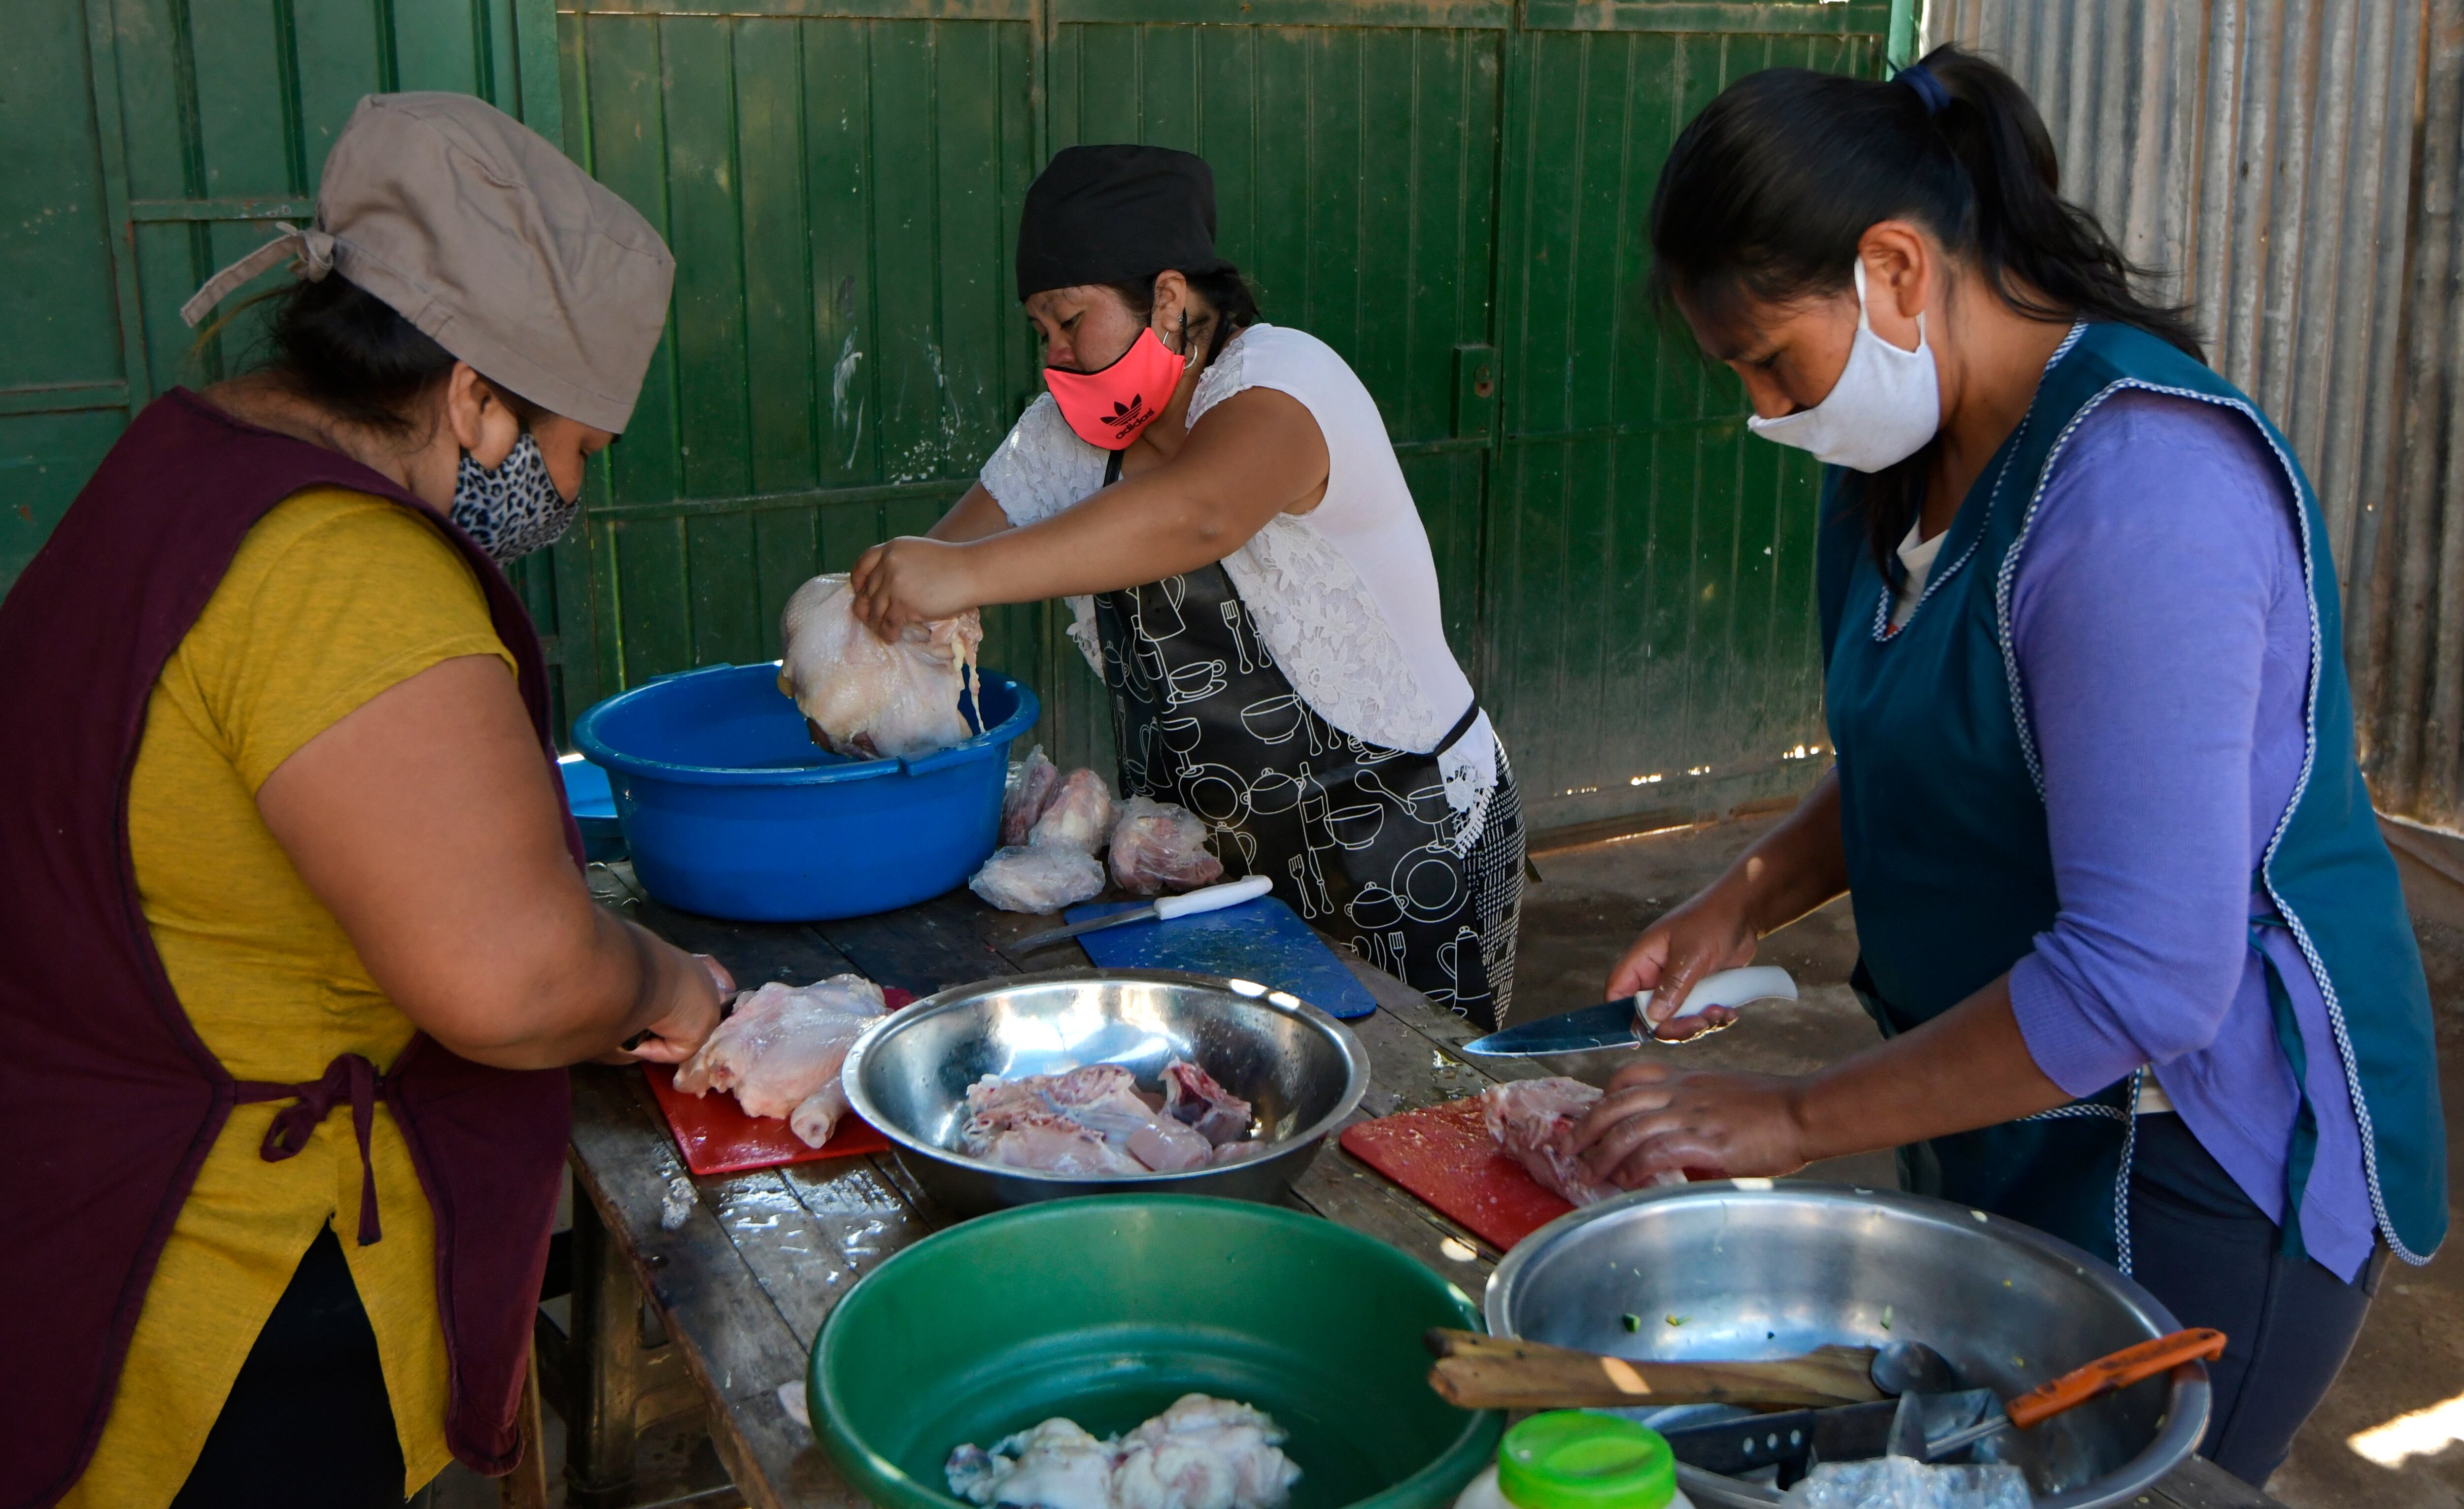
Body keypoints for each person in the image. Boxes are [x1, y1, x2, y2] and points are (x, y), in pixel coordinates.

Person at [1569, 46, 2447, 1484]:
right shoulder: (1900, 474)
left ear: (1898, 270)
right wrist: (1743, 893)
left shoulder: (2138, 496)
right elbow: (1939, 745)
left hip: (2196, 1159)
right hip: (2013, 1104)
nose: (1768, 411)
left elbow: (2147, 975)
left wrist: (1792, 1119)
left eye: (1773, 363)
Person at [0, 94, 729, 1508]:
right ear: (472, 397)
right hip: (222, 1275)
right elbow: (513, 982)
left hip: (67, 1174)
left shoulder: (185, 464)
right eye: (578, 446)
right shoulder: (345, 569)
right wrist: (660, 978)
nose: (572, 489)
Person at [849, 145, 1527, 1026]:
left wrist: (965, 574)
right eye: (1040, 333)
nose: (1055, 356)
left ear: (1167, 299)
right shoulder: (1066, 438)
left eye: (1071, 321)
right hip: (1212, 877)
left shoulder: (1284, 383)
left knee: (1417, 1111)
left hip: (1410, 837)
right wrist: (876, 629)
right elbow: (931, 573)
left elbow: (1198, 514)